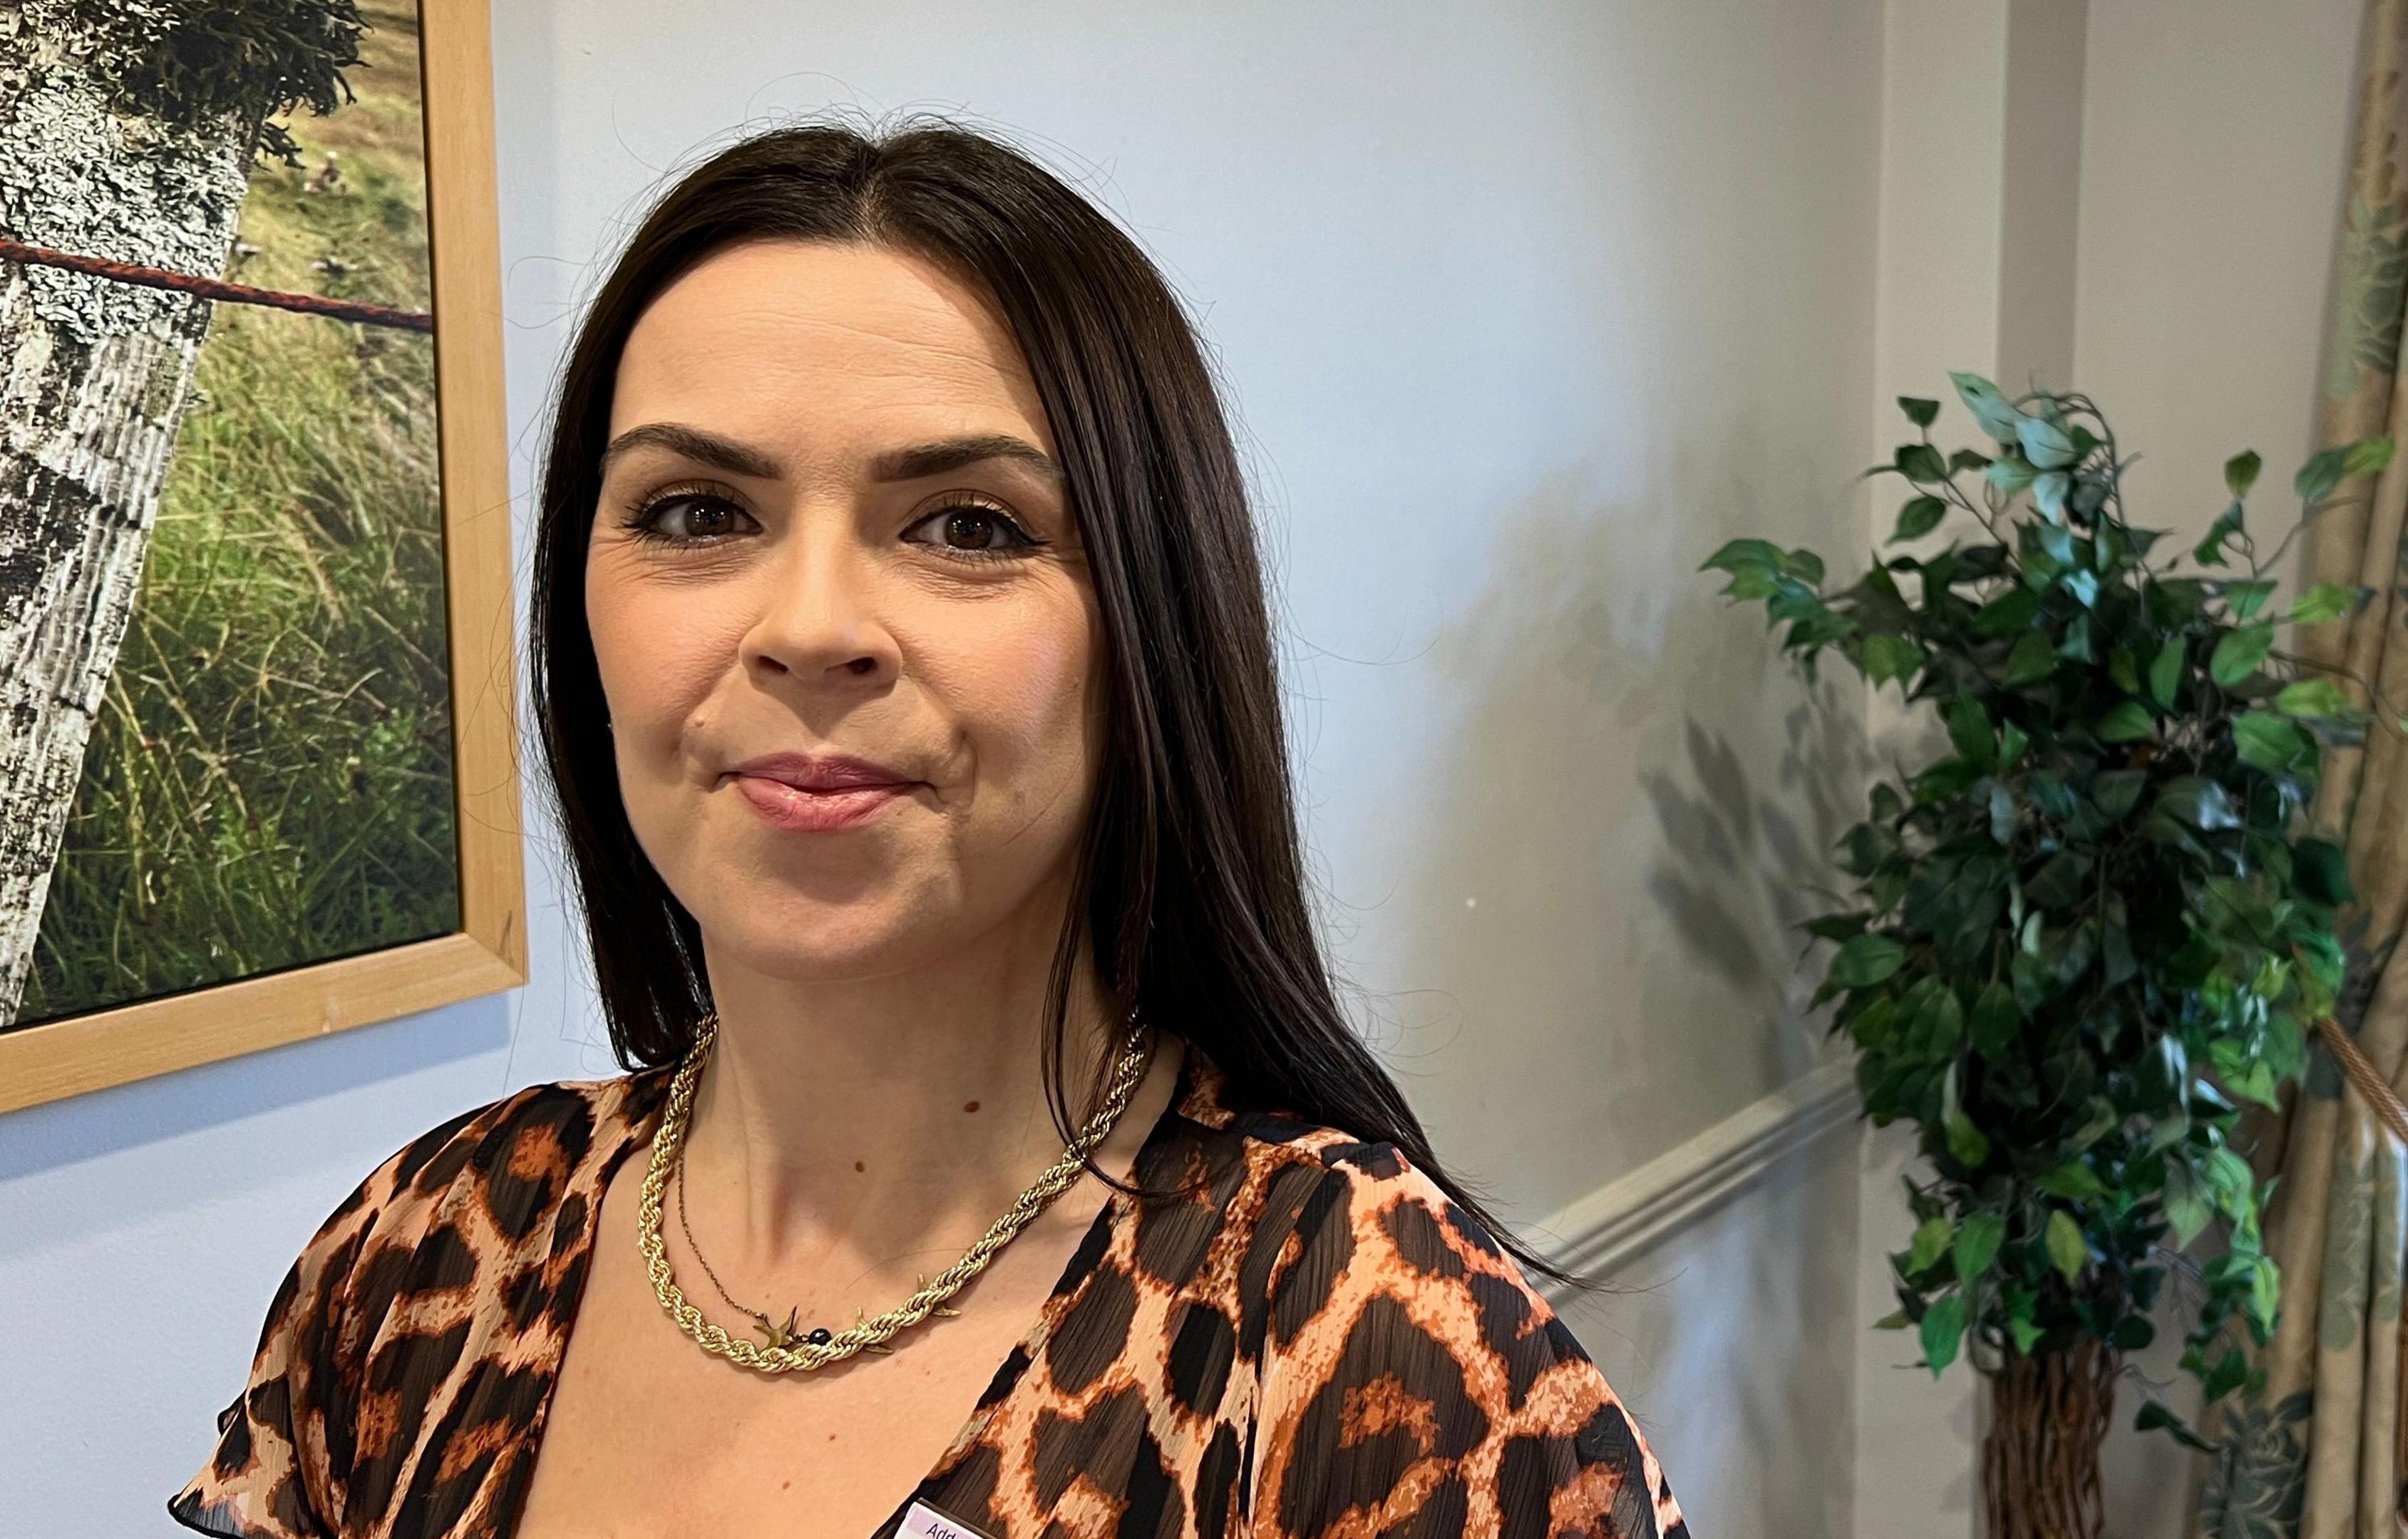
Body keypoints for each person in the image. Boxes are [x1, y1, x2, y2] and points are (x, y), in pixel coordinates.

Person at [170, 118, 1687, 1539]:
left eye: (969, 526)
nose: (812, 628)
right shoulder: (422, 1247)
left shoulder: (1364, 1352)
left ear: (1153, 624)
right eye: (698, 512)